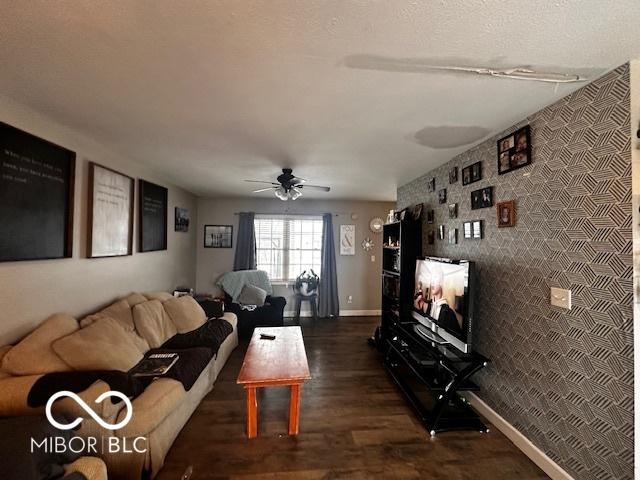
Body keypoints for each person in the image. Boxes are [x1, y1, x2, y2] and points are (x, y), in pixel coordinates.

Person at [424, 269, 459, 333]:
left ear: (441, 282)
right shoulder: (427, 305)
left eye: (435, 277)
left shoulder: (450, 314)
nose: (432, 282)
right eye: (431, 278)